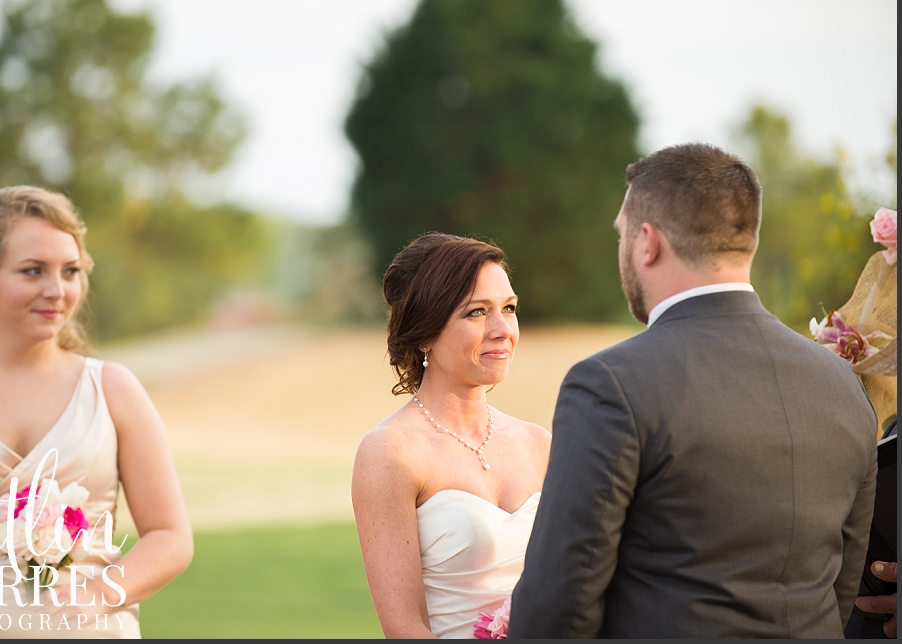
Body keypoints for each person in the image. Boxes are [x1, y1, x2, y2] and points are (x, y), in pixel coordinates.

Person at [507, 144, 878, 638]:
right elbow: (841, 586)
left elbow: (558, 608)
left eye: (621, 234)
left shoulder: (611, 385)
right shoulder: (842, 384)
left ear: (647, 242)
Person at [0, 186, 193, 638]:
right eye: (33, 271)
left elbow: (170, 537)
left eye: (71, 271)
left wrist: (98, 594)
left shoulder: (113, 390)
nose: (57, 290)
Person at [352, 234, 551, 638]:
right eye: (477, 312)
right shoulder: (390, 452)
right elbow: (405, 626)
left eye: (508, 309)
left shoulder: (538, 444)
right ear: (424, 332)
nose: (502, 330)